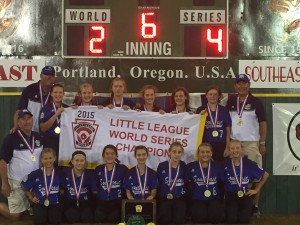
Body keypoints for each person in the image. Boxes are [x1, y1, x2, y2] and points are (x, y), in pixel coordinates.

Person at [226, 74, 267, 214]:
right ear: (235, 86)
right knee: (235, 176)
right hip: (234, 144)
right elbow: (227, 125)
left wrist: (262, 142)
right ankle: (239, 206)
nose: (241, 86)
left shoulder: (256, 101)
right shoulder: (231, 101)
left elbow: (263, 123)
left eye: (244, 83)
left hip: (251, 143)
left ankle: (254, 206)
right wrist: (228, 145)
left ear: (249, 85)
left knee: (255, 177)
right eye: (239, 83)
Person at [0, 109, 43, 220]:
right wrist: (4, 183)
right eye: (23, 119)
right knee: (15, 216)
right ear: (18, 122)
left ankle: (28, 206)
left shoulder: (39, 137)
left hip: (34, 183)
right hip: (17, 182)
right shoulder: (10, 139)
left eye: (29, 118)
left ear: (32, 120)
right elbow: (3, 161)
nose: (26, 121)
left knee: (40, 211)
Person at [222, 140, 269, 224]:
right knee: (231, 220)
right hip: (231, 195)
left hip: (245, 195)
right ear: (229, 150)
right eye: (232, 148)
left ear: (242, 149)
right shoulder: (224, 164)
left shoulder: (249, 164)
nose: (235, 150)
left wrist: (256, 190)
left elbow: (266, 175)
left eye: (237, 148)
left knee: (244, 220)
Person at [21, 147, 62, 225]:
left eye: (50, 158)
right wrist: (31, 197)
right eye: (45, 158)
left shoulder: (59, 173)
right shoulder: (35, 174)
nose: (48, 161)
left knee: (55, 221)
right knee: (39, 221)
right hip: (39, 202)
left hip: (54, 203)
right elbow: (23, 185)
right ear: (41, 160)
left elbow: (63, 188)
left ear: (55, 158)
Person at [186, 142, 223, 224]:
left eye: (207, 152)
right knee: (198, 219)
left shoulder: (218, 166)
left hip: (214, 198)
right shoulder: (190, 167)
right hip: (198, 199)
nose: (205, 154)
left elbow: (223, 183)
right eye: (202, 152)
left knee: (216, 219)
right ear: (198, 153)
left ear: (211, 153)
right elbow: (186, 183)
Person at [12, 66, 56, 132]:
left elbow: (62, 108)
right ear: (41, 75)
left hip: (49, 134)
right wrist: (15, 127)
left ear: (54, 78)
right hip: (31, 132)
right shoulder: (30, 90)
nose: (49, 77)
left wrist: (72, 109)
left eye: (51, 75)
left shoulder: (56, 92)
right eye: (46, 74)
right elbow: (19, 110)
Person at [196, 84, 232, 162]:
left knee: (219, 167)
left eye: (215, 94)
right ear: (206, 96)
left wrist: (227, 146)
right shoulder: (200, 110)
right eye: (210, 94)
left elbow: (228, 130)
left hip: (221, 144)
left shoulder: (224, 110)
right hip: (205, 145)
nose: (213, 96)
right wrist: (199, 116)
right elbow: (195, 127)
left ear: (219, 96)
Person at [93, 145, 128, 223]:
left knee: (114, 219)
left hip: (117, 201)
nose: (110, 156)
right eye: (107, 154)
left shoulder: (122, 169)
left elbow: (126, 185)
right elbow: (95, 185)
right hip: (102, 201)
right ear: (103, 155)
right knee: (99, 218)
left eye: (112, 154)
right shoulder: (98, 168)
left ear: (116, 155)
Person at [157, 142, 187, 225]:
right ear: (169, 152)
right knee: (164, 220)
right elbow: (159, 182)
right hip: (165, 198)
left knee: (179, 221)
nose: (176, 154)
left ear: (182, 153)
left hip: (179, 198)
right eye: (174, 152)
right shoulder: (162, 166)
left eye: (179, 152)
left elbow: (187, 182)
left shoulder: (184, 166)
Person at [61, 151, 93, 223]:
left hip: (85, 202)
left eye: (82, 160)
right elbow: (62, 189)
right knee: (72, 217)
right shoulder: (64, 173)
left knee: (86, 218)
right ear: (72, 161)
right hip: (69, 202)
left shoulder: (90, 174)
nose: (79, 163)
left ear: (85, 162)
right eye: (77, 160)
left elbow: (93, 191)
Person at [39, 83, 68, 159]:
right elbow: (43, 128)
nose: (58, 94)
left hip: (64, 143)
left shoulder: (67, 109)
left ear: (63, 94)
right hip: (50, 142)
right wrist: (56, 114)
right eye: (55, 92)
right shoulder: (45, 109)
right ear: (51, 94)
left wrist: (75, 110)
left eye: (60, 92)